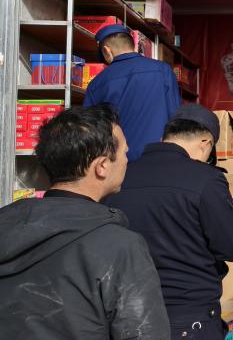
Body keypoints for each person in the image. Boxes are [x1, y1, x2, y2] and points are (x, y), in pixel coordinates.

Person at [0, 104, 170, 339]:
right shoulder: (120, 246)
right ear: (102, 166)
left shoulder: (7, 223)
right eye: (124, 154)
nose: (126, 161)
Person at [104, 104, 233, 339]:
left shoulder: (121, 176)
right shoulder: (206, 179)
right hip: (188, 316)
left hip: (128, 312)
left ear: (165, 137)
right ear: (206, 143)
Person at [84, 24, 181, 161]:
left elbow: (91, 131)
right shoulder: (162, 70)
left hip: (119, 163)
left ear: (106, 50)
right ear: (133, 45)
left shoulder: (97, 83)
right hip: (160, 158)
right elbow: (176, 117)